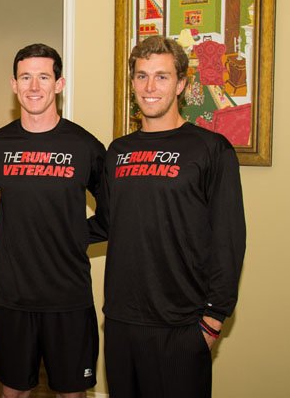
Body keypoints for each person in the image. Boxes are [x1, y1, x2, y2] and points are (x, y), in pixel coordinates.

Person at [91, 35, 246, 397]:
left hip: (183, 324)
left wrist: (212, 319)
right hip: (121, 321)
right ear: (132, 83)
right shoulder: (119, 151)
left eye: (162, 76)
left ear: (181, 84)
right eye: (142, 76)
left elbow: (228, 238)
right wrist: (46, 227)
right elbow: (107, 222)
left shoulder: (211, 150)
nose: (150, 86)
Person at [0, 43, 105, 398]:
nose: (34, 86)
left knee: (72, 392)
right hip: (12, 296)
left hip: (69, 295)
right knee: (13, 392)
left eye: (44, 77)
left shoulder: (85, 147)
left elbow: (114, 215)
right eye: (26, 77)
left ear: (59, 84)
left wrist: (77, 235)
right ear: (14, 85)